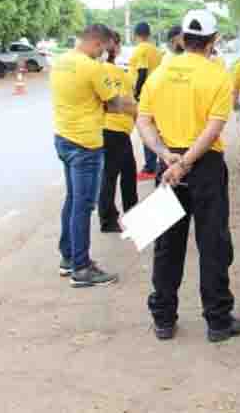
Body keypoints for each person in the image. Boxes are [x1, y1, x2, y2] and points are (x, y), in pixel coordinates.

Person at [136, 10, 240, 342]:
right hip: (205, 165)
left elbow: (143, 120)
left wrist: (165, 155)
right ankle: (218, 321)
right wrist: (185, 163)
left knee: (166, 245)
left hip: (168, 164)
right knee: (213, 243)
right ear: (213, 41)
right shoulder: (217, 75)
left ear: (183, 39)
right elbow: (213, 128)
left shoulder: (159, 73)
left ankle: (163, 319)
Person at [52, 24, 135, 287]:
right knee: (83, 205)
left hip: (63, 138)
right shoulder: (92, 68)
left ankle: (68, 258)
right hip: (86, 144)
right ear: (98, 43)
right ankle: (81, 267)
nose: (104, 54)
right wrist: (140, 109)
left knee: (72, 199)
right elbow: (115, 104)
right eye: (104, 49)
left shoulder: (60, 62)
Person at [98, 32, 138, 234]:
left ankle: (109, 217)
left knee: (109, 174)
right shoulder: (121, 74)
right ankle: (122, 217)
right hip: (117, 130)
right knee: (126, 174)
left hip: (103, 129)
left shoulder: (97, 70)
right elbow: (129, 104)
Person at [130, 22, 163, 181]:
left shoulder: (141, 49)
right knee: (158, 130)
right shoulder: (156, 51)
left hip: (145, 96)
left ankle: (150, 167)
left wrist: (137, 93)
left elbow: (142, 72)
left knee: (146, 130)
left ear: (135, 34)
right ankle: (160, 162)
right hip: (158, 94)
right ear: (149, 34)